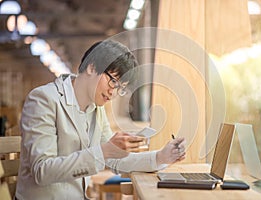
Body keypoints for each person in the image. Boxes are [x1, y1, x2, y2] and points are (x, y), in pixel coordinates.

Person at [15, 39, 186, 200]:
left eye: (119, 88)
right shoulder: (43, 99)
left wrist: (160, 157)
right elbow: (42, 171)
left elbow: (114, 160)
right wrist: (104, 151)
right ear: (91, 67)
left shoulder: (96, 107)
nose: (113, 93)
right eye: (113, 81)